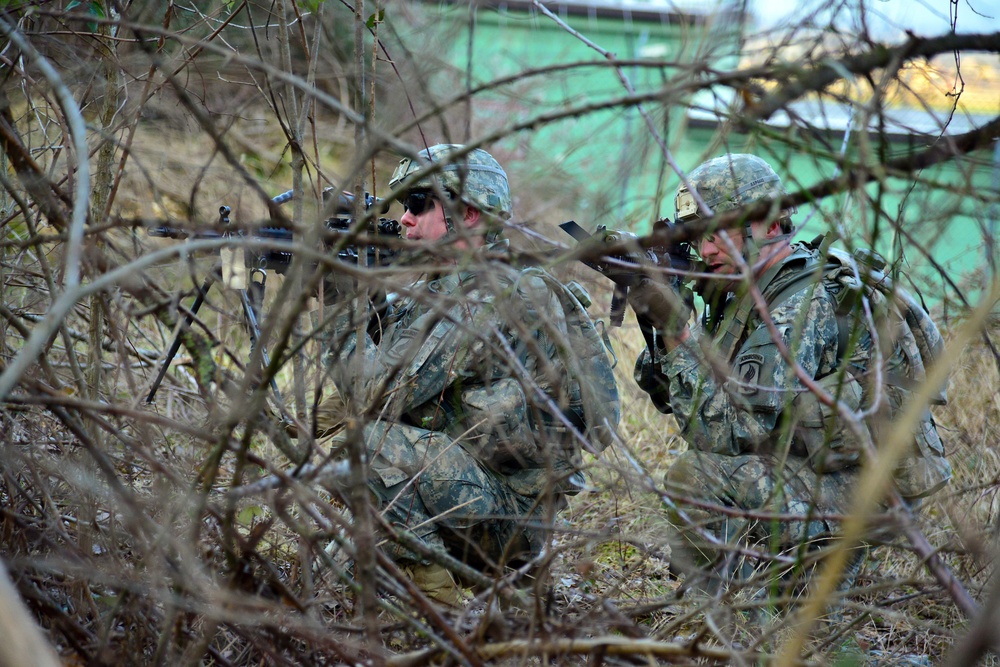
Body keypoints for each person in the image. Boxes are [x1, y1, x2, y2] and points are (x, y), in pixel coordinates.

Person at [628, 153, 950, 591]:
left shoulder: (801, 301)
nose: (705, 250)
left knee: (696, 475)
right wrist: (660, 320)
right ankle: (769, 590)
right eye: (698, 237)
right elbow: (678, 395)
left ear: (772, 225)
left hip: (862, 491)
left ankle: (722, 621)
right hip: (810, 469)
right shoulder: (742, 289)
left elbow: (726, 430)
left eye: (719, 232)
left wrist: (678, 334)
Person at [319, 144, 621, 604]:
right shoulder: (450, 283)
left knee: (360, 446)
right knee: (335, 569)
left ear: (471, 214)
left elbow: (375, 393)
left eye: (419, 204)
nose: (405, 218)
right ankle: (417, 573)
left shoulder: (491, 296)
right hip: (471, 496)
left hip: (508, 523)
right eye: (404, 206)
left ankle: (439, 609)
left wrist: (341, 302)